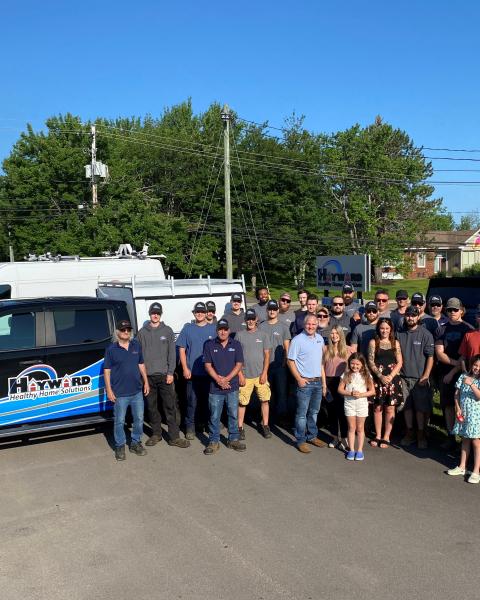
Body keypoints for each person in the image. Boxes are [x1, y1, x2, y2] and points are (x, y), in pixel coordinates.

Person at [137, 302, 190, 449]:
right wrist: (142, 377)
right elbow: (138, 356)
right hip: (148, 378)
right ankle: (156, 434)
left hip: (165, 376)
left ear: (161, 314)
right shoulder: (142, 332)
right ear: (149, 314)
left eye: (158, 313)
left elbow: (172, 354)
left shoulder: (167, 331)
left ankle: (174, 437)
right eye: (153, 313)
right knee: (152, 407)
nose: (155, 315)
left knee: (170, 407)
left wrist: (170, 372)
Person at [104, 319, 150, 461]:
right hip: (120, 393)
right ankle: (120, 445)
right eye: (123, 330)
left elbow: (141, 364)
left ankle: (135, 443)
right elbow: (107, 371)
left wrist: (146, 382)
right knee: (119, 421)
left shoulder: (136, 345)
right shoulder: (111, 349)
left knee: (139, 419)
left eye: (128, 330)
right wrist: (109, 390)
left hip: (136, 391)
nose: (126, 332)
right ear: (118, 332)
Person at [435, 297, 474, 450]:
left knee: (463, 407)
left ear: (461, 311)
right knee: (448, 406)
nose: (452, 312)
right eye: (449, 309)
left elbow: (467, 355)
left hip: (463, 375)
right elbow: (439, 353)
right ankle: (451, 436)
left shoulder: (468, 329)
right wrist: (456, 364)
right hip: (445, 374)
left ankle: (464, 440)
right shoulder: (441, 329)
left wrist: (455, 370)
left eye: (455, 309)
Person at [203, 318, 246, 454]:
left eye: (225, 329)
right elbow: (207, 365)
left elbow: (239, 364)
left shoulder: (236, 344)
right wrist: (218, 380)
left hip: (232, 386)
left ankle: (233, 439)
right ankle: (214, 441)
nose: (223, 332)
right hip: (215, 388)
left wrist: (226, 379)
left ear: (229, 330)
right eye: (220, 329)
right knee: (214, 416)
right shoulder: (209, 345)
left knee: (233, 414)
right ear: (217, 331)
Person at [177, 301, 217, 439]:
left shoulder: (213, 329)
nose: (199, 314)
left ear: (207, 313)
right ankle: (190, 428)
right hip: (192, 374)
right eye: (197, 312)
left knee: (208, 402)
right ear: (194, 313)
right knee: (191, 402)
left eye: (202, 311)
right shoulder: (188, 329)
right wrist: (185, 368)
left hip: (209, 374)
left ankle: (205, 424)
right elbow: (182, 349)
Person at [287, 314, 327, 453]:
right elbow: (290, 361)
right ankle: (301, 440)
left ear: (317, 325)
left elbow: (322, 362)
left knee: (314, 412)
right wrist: (298, 378)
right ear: (304, 325)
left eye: (313, 324)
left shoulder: (320, 339)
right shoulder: (297, 340)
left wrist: (324, 383)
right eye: (308, 324)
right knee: (302, 414)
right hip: (305, 382)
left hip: (317, 382)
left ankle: (312, 436)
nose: (311, 327)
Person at [397, 305, 435, 449]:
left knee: (420, 409)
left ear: (418, 317)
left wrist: (426, 376)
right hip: (403, 377)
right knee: (406, 407)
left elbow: (431, 357)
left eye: (413, 315)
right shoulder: (399, 334)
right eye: (408, 315)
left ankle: (421, 434)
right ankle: (409, 433)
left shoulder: (426, 334)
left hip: (420, 378)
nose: (410, 318)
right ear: (404, 316)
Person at [236, 308, 272, 439]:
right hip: (245, 375)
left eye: (252, 319)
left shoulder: (263, 335)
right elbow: (236, 357)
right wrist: (239, 374)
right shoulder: (239, 335)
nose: (250, 321)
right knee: (242, 402)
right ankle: (239, 427)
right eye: (248, 319)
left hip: (260, 375)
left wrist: (264, 373)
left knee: (265, 400)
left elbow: (267, 356)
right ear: (245, 320)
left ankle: (265, 425)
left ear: (256, 319)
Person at [367, 318, 403, 448]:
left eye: (387, 328)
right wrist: (380, 376)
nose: (384, 331)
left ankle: (386, 436)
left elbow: (399, 362)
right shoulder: (373, 342)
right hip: (378, 379)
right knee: (377, 408)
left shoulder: (395, 343)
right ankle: (377, 435)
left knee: (390, 408)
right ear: (378, 329)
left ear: (391, 330)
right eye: (382, 328)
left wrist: (391, 376)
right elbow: (370, 361)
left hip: (392, 379)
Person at [447, 355, 480, 484]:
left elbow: (478, 396)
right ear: (471, 364)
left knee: (476, 442)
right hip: (464, 413)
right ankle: (462, 466)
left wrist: (471, 384)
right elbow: (457, 393)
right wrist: (457, 408)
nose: (476, 368)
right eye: (475, 365)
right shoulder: (463, 376)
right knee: (465, 439)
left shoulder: (476, 381)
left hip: (476, 415)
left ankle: (476, 471)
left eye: (479, 367)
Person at [338, 353, 375, 461]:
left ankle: (359, 450)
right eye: (352, 364)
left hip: (362, 405)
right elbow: (340, 389)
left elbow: (372, 391)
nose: (355, 366)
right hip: (349, 404)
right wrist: (350, 393)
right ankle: (351, 449)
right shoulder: (346, 374)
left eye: (358, 364)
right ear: (349, 363)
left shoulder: (367, 375)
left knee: (360, 428)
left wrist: (361, 394)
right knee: (351, 428)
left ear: (362, 365)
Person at [259, 299, 291, 426]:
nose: (272, 311)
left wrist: (284, 363)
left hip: (279, 366)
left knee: (281, 392)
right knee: (266, 394)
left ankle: (282, 417)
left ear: (278, 311)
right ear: (267, 311)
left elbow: (287, 348)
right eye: (270, 309)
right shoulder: (261, 326)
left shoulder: (283, 327)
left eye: (274, 309)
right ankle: (266, 418)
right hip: (265, 367)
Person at [323, 325, 351, 451]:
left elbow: (351, 370)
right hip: (328, 382)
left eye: (336, 333)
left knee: (342, 412)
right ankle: (335, 437)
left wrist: (346, 384)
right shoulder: (325, 349)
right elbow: (321, 368)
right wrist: (324, 385)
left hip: (341, 382)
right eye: (332, 333)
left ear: (341, 335)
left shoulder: (348, 350)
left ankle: (344, 437)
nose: (334, 336)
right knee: (331, 412)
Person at [459, 305, 480, 371]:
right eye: (479, 315)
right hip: (472, 378)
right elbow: (463, 358)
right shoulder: (468, 335)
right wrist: (465, 372)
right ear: (476, 317)